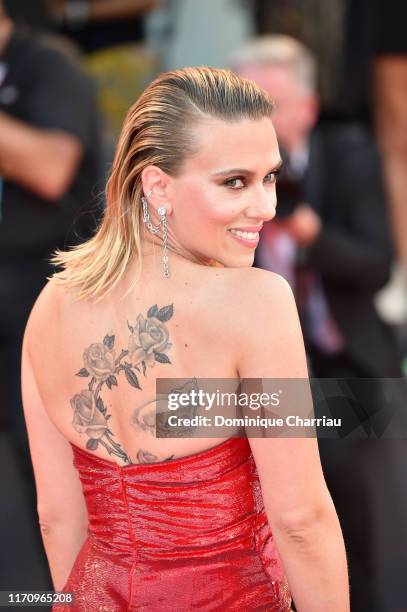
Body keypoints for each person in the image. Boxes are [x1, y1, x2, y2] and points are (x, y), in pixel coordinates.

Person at [21, 66, 349, 611]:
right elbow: (300, 521)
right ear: (157, 185)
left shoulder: (51, 304)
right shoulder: (257, 302)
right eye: (234, 181)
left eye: (270, 176)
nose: (266, 206)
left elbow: (56, 518)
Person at [232, 35, 405, 611]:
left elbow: (377, 265)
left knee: (365, 523)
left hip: (347, 362)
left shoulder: (350, 155)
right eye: (244, 103)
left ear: (307, 108)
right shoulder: (221, 183)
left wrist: (312, 234)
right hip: (262, 383)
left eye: (271, 105)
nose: (258, 120)